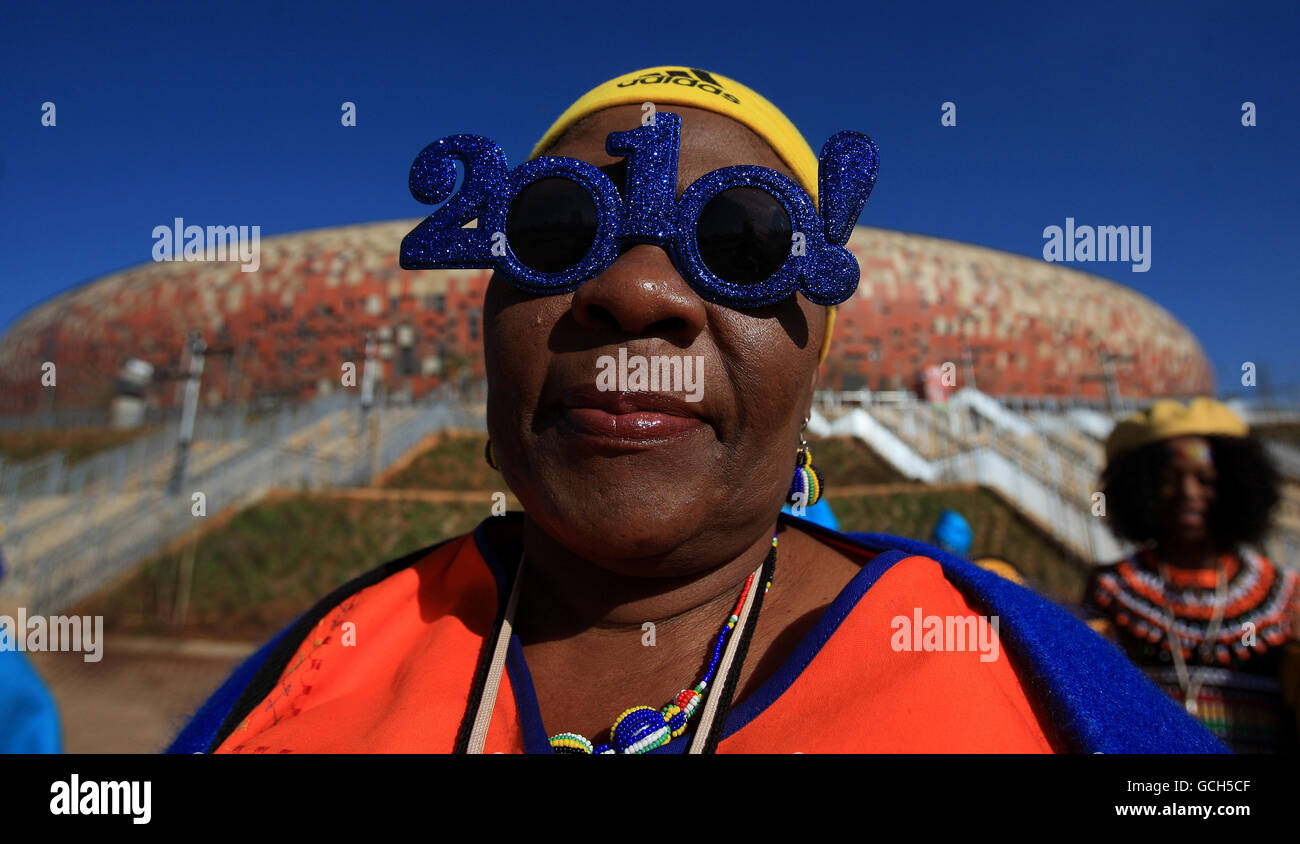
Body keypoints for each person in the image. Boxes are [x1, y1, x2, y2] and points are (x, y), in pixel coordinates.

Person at [172, 66, 1219, 754]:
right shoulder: (312, 678)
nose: (636, 292)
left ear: (817, 364)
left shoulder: (1031, 689)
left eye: (741, 244)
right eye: (553, 228)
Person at [1083, 398, 1300, 753]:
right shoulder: (1113, 589)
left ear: (1238, 487)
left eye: (1206, 480)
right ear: (1139, 489)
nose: (1189, 494)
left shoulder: (1285, 595)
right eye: (1169, 480)